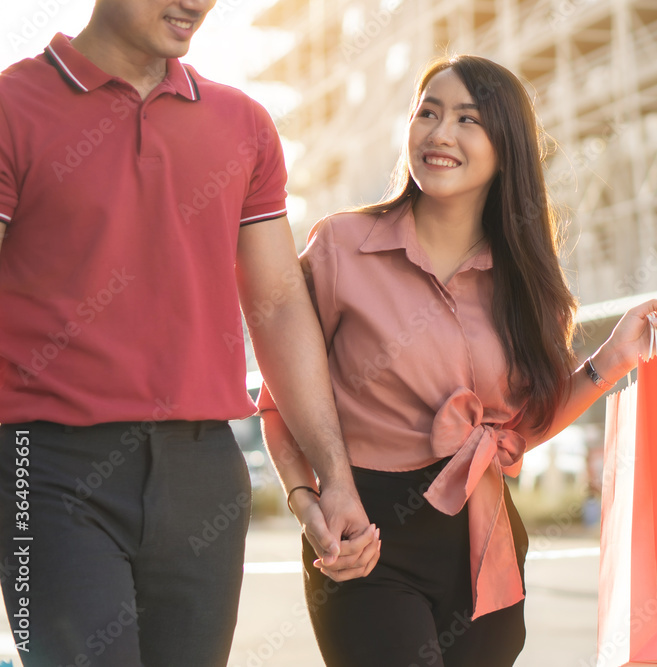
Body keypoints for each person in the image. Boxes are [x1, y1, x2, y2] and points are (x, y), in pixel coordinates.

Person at [259, 54, 657, 666]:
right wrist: (310, 506)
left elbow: (515, 434)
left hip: (486, 552)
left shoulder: (523, 283)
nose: (440, 133)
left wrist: (609, 360)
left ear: (505, 148)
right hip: (366, 539)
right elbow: (279, 400)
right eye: (427, 113)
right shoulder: (340, 249)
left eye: (467, 119)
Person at [0, 1, 377, 664]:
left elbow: (280, 304)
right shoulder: (11, 107)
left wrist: (335, 474)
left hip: (204, 472)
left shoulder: (244, 124)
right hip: (42, 472)